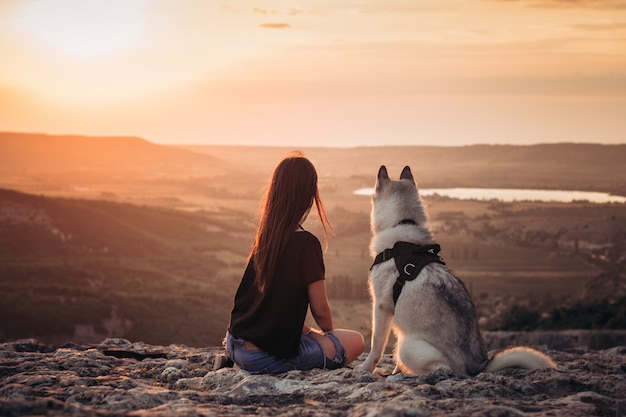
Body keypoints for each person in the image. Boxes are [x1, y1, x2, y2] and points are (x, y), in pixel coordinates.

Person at [219, 151, 364, 374]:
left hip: (234, 343)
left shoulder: (267, 236)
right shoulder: (306, 243)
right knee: (356, 341)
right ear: (308, 195)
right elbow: (321, 310)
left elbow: (267, 305)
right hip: (262, 357)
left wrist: (308, 333)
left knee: (312, 335)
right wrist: (328, 337)